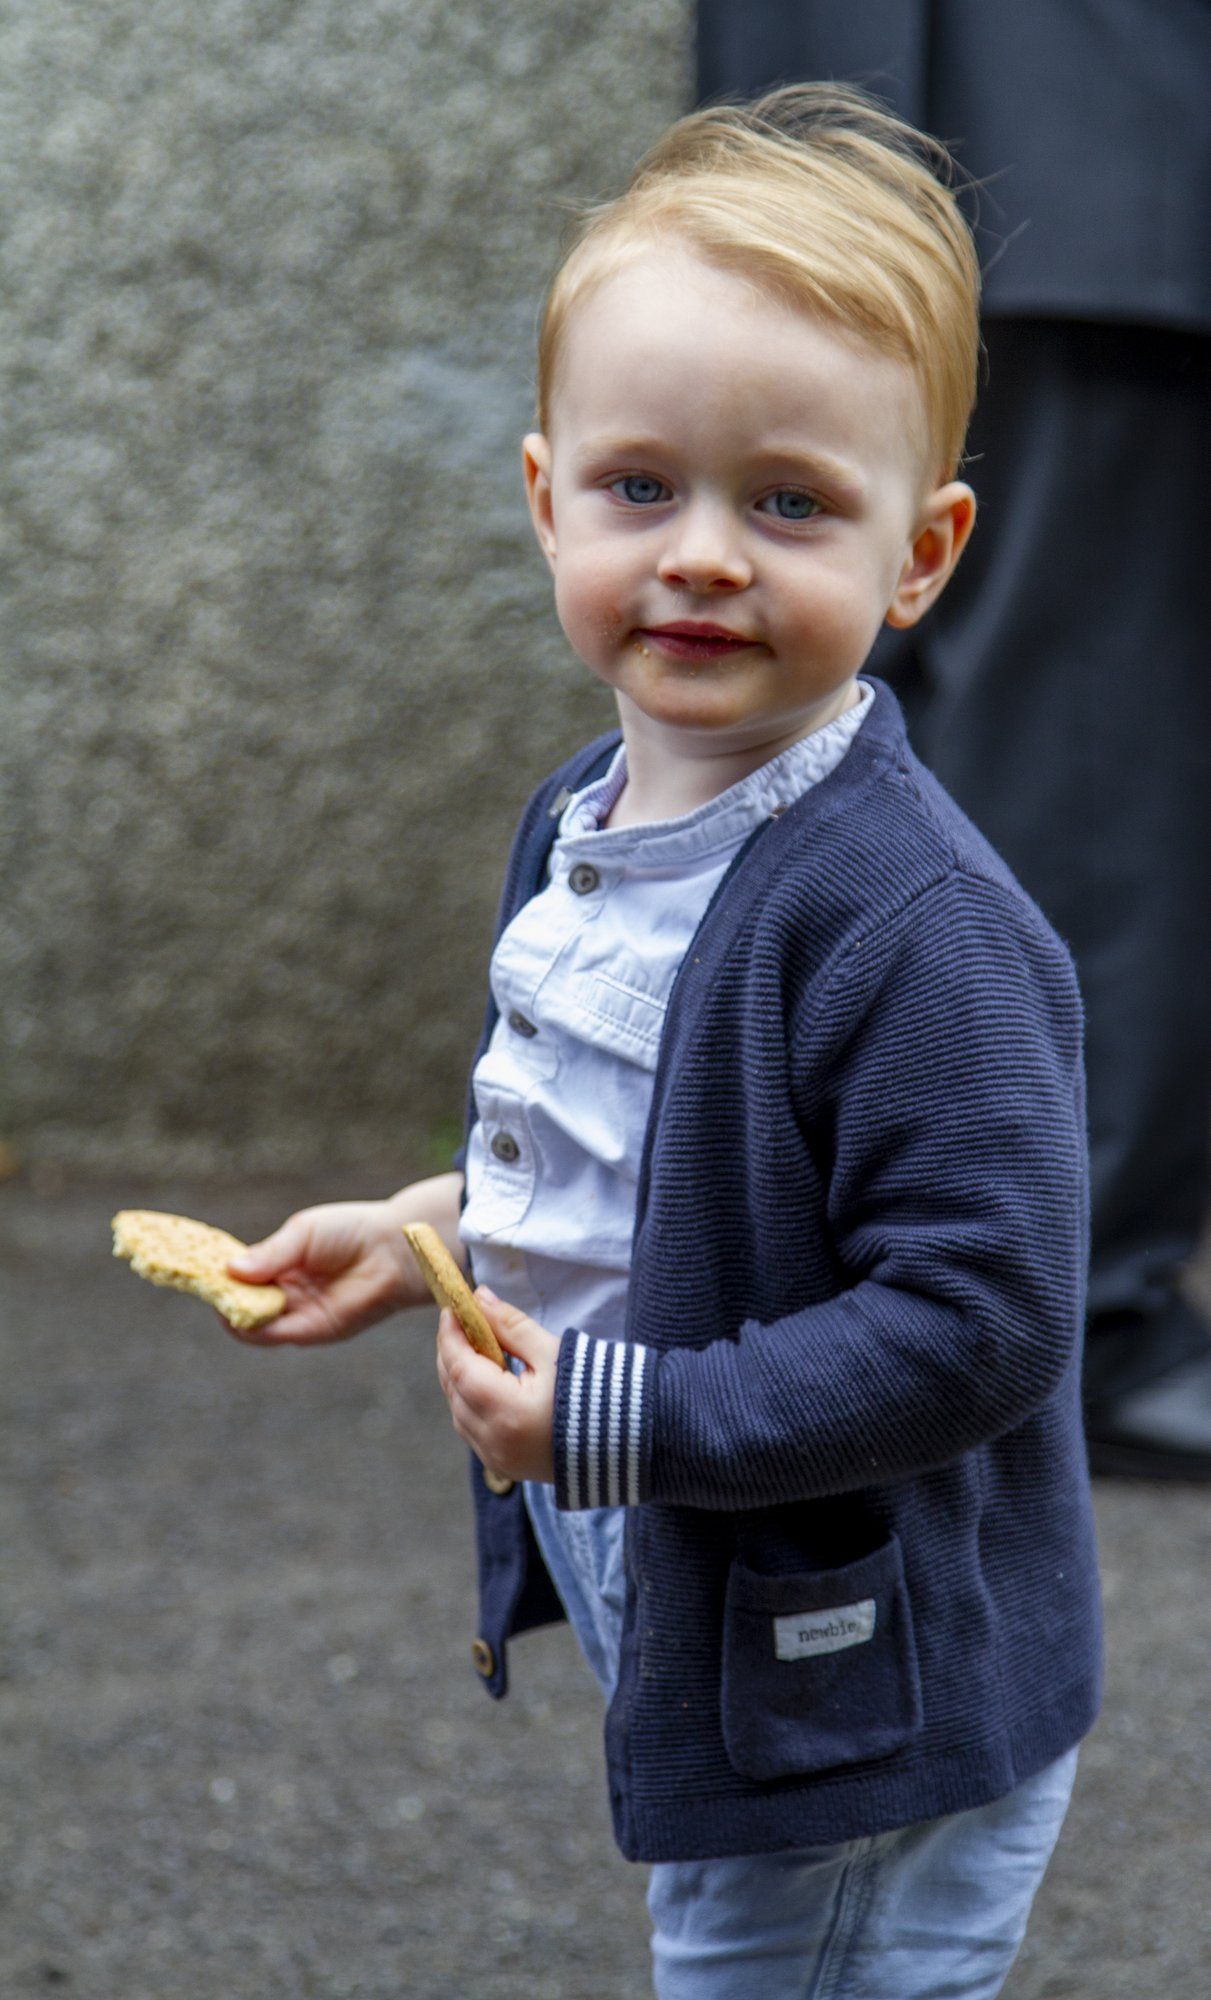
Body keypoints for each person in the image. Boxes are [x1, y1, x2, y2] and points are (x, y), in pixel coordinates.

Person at [223, 88, 1101, 1999]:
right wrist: (424, 1235)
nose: (704, 553)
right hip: (699, 1572)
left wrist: (627, 1422)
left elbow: (985, 1316)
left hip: (857, 1668)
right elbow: (648, 1161)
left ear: (923, 551)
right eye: (644, 488)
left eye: (789, 502)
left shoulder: (912, 926)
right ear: (547, 497)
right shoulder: (585, 819)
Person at [696, 0, 1211, 1478]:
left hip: (855, 103)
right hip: (1090, 117)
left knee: (841, 727)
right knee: (1083, 720)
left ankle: (812, 1267)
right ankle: (1070, 1299)